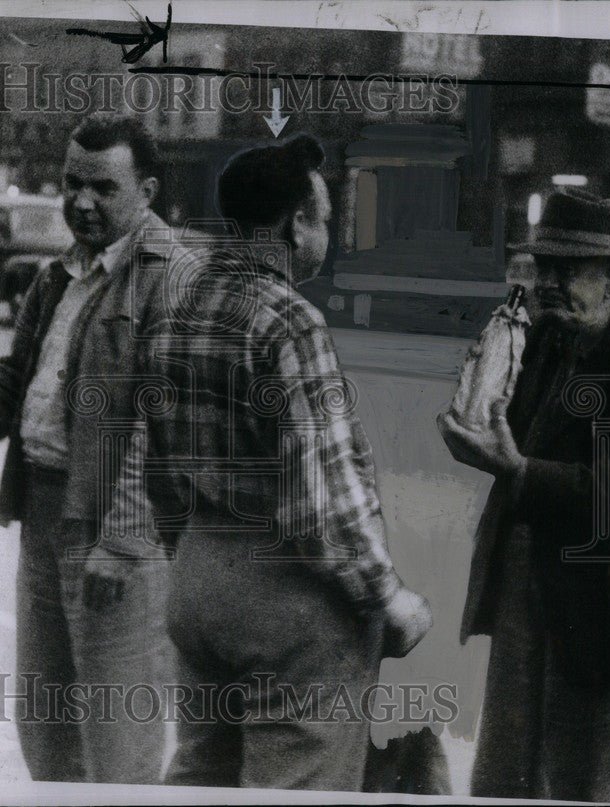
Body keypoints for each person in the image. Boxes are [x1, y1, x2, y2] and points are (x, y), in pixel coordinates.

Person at [100, 134, 433, 790]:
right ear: (295, 223)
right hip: (289, 601)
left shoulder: (173, 314)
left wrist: (194, 553)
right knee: (297, 783)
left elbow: (158, 470)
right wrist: (386, 595)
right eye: (326, 219)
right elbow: (322, 494)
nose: (327, 235)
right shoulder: (290, 322)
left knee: (202, 772)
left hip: (198, 579)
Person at [0, 113, 173, 784]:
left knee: (117, 745)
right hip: (43, 515)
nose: (81, 201)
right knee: (45, 731)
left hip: (115, 537)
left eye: (103, 187)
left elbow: (166, 425)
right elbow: (14, 382)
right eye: (72, 184)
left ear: (148, 191)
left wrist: (123, 538)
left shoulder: (170, 277)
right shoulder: (59, 274)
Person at [438, 188, 610, 802]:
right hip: (525, 590)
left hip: (602, 609)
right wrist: (476, 397)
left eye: (568, 270)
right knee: (509, 773)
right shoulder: (545, 337)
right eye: (543, 268)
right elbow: (503, 430)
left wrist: (520, 472)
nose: (549, 283)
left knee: (594, 782)